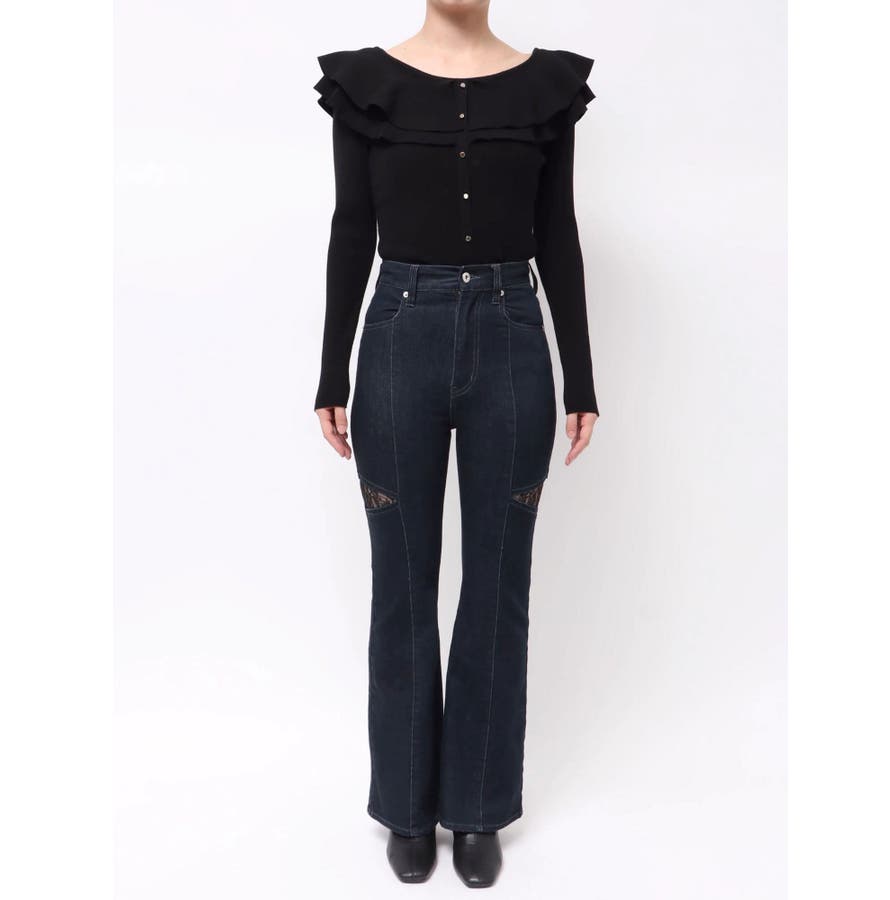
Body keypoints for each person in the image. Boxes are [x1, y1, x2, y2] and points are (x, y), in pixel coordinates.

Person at [312, 1, 599, 888]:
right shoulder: (366, 83)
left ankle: (477, 807)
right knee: (401, 583)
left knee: (498, 584)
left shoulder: (546, 86)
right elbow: (352, 225)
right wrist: (331, 373)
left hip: (512, 336)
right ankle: (405, 806)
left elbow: (558, 230)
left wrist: (582, 378)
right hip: (399, 335)